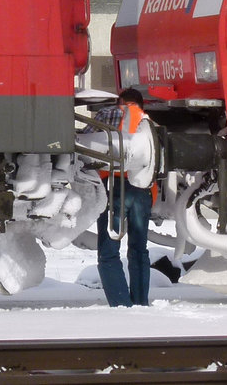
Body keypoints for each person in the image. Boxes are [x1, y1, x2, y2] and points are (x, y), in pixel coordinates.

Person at [96, 87, 152, 307]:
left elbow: (84, 142)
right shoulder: (149, 122)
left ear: (120, 102)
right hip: (141, 188)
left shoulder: (108, 115)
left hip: (114, 188)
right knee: (139, 250)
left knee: (109, 251)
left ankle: (120, 304)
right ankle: (140, 302)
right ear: (141, 104)